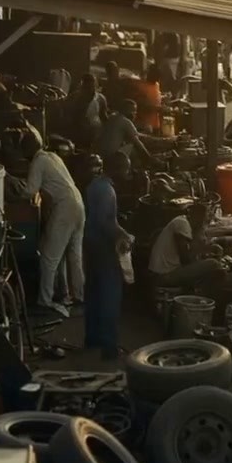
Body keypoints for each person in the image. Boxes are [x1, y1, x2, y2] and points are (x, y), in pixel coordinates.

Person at [21, 129, 85, 318]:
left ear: (27, 150)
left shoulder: (38, 161)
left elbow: (30, 191)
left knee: (48, 258)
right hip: (77, 203)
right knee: (73, 255)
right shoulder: (51, 157)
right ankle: (76, 296)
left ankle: (45, 301)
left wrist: (14, 185)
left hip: (65, 207)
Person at [82, 154, 131, 360]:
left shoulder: (94, 185)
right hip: (104, 247)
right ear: (118, 169)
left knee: (93, 292)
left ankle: (92, 338)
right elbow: (106, 223)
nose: (128, 172)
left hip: (90, 244)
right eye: (126, 168)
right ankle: (109, 347)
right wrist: (124, 235)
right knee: (110, 294)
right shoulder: (108, 191)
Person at [149, 202, 224, 291]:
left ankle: (196, 292)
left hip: (168, 272)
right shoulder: (181, 223)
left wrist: (207, 249)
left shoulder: (186, 224)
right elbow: (185, 259)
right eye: (205, 217)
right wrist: (205, 251)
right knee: (214, 264)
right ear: (197, 216)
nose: (206, 220)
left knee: (213, 267)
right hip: (163, 276)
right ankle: (199, 295)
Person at [95, 99, 151, 166]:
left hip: (99, 154)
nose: (135, 114)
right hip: (111, 157)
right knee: (133, 147)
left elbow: (136, 134)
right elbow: (138, 143)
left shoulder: (112, 117)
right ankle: (136, 167)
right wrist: (150, 158)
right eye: (134, 112)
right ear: (130, 112)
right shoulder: (125, 121)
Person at [66, 73, 108, 148]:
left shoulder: (100, 99)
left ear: (95, 86)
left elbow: (103, 116)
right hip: (77, 135)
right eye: (86, 87)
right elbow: (68, 116)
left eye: (91, 86)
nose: (89, 89)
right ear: (82, 86)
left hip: (95, 135)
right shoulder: (74, 97)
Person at [134, 63, 162, 132]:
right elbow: (141, 106)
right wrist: (159, 108)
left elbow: (155, 99)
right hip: (145, 126)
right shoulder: (141, 87)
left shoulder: (156, 85)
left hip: (156, 125)